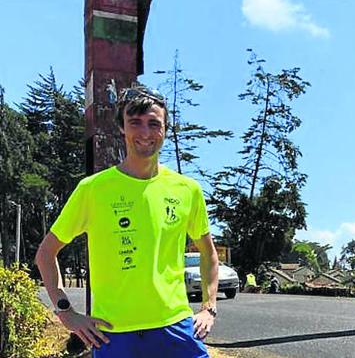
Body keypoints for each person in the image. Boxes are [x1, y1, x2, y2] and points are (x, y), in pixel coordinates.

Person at [35, 84, 219, 357]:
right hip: (114, 334)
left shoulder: (187, 189)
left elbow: (209, 254)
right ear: (122, 127)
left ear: (165, 129)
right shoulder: (93, 189)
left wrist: (209, 307)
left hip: (175, 328)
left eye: (154, 124)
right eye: (135, 123)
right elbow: (46, 254)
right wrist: (66, 312)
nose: (145, 133)